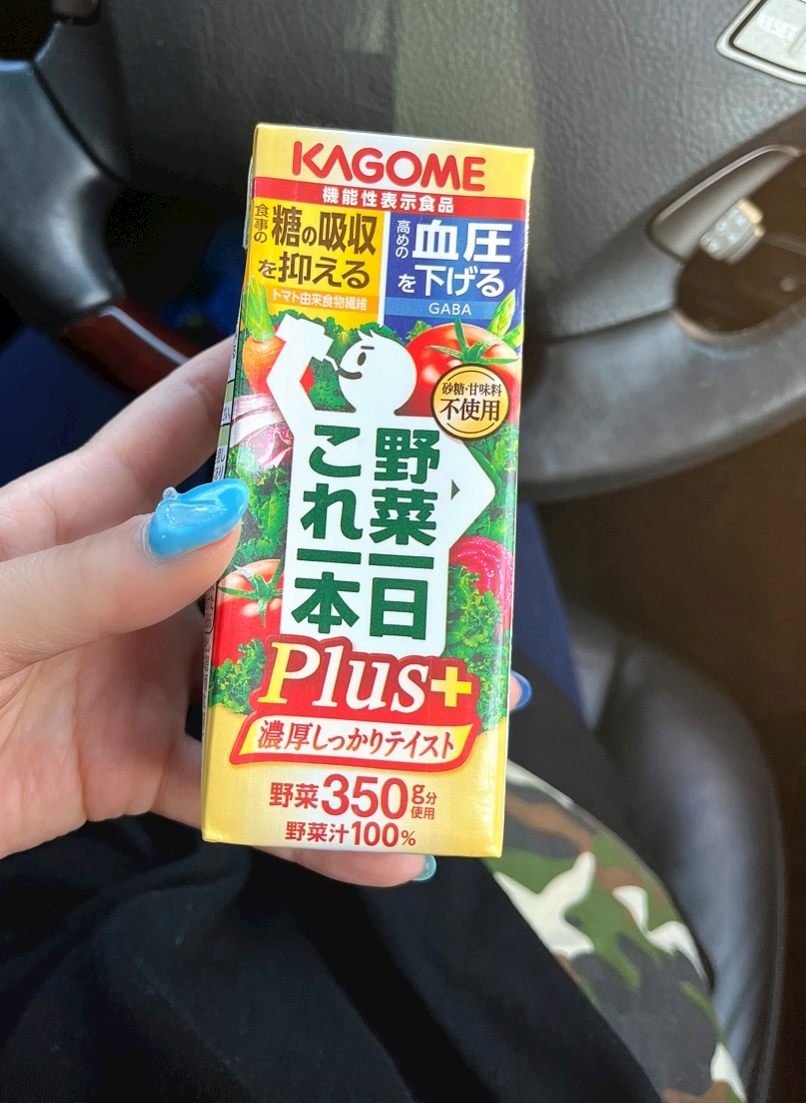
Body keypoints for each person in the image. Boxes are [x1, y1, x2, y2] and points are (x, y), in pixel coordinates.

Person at [0, 335, 745, 1102]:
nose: (347, 371)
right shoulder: (371, 432)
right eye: (348, 364)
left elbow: (438, 472)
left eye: (358, 365)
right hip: (485, 873)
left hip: (269, 724)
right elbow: (452, 480)